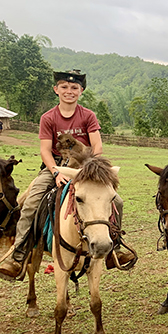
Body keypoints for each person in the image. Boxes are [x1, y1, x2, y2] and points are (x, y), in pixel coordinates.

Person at [0, 70, 134, 280]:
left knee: (117, 200)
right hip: (56, 167)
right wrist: (55, 172)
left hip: (86, 167)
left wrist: (91, 166)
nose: (69, 91)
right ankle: (18, 257)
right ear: (56, 90)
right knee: (30, 203)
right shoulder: (48, 117)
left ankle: (114, 249)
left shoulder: (88, 115)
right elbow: (45, 150)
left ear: (81, 91)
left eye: (74, 88)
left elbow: (97, 144)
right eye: (64, 87)